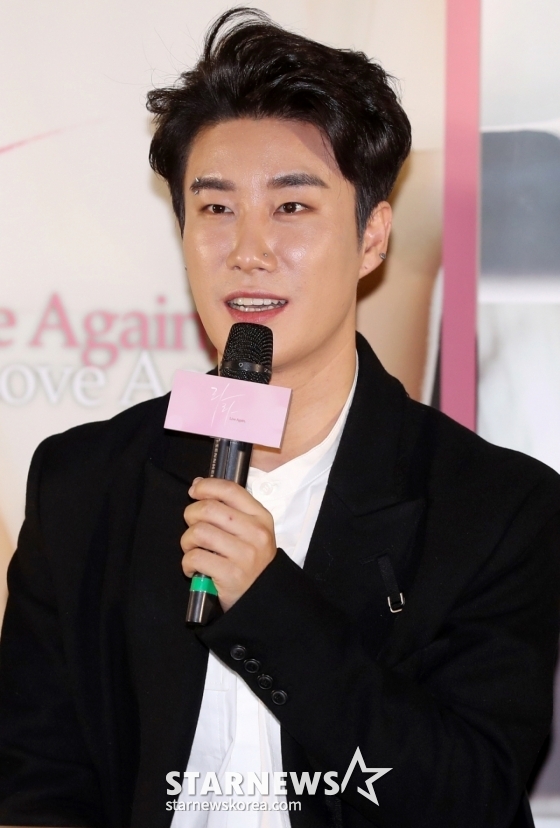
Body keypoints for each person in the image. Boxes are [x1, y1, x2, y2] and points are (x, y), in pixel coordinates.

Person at [0, 8, 559, 828]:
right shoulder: (84, 484)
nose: (248, 251)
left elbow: (469, 797)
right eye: (216, 209)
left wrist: (269, 603)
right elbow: (35, 781)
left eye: (292, 208)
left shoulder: (496, 506)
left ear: (373, 238)